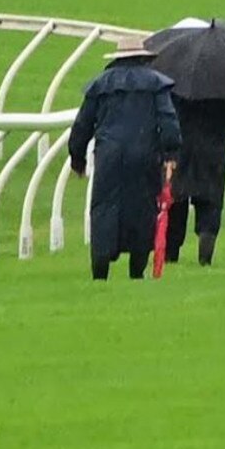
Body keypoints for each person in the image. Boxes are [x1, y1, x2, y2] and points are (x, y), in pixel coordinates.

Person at [70, 36, 182, 281]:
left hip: (108, 155)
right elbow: (168, 120)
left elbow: (82, 125)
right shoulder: (155, 84)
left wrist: (77, 158)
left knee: (104, 208)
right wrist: (171, 153)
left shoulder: (100, 85)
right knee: (142, 209)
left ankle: (100, 269)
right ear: (143, 58)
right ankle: (136, 270)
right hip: (144, 155)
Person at [165, 97, 225, 266]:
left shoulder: (176, 84)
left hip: (181, 145)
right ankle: (205, 254)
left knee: (177, 197)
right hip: (213, 147)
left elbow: (168, 114)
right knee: (210, 200)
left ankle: (171, 253)